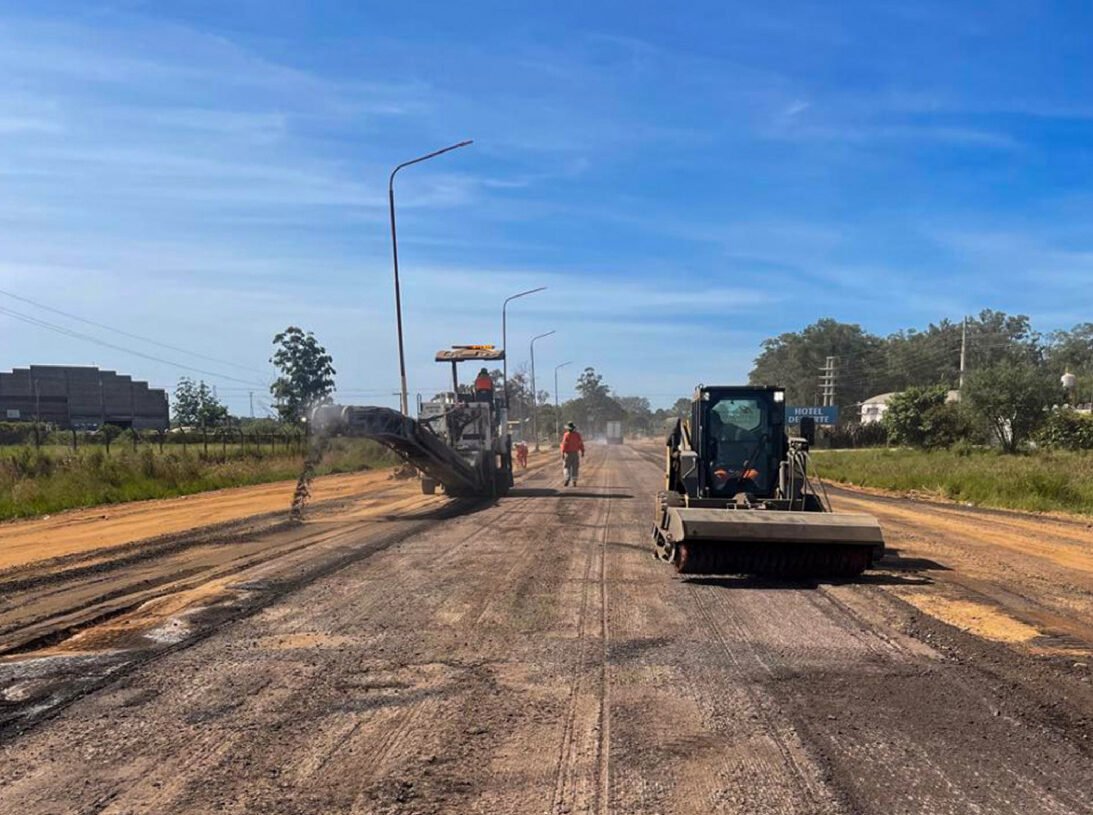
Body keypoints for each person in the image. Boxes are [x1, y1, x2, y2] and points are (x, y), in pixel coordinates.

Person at [560, 422, 585, 487]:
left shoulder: (566, 435)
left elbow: (564, 445)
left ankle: (567, 478)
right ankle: (574, 481)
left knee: (566, 467)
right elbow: (580, 444)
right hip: (575, 454)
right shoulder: (577, 435)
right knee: (575, 468)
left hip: (567, 454)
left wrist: (562, 453)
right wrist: (582, 451)